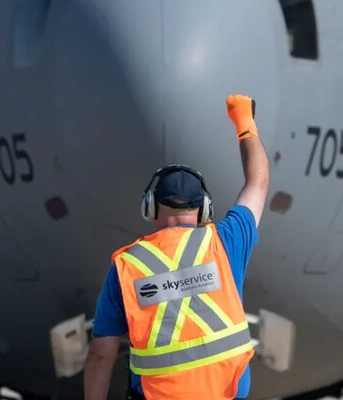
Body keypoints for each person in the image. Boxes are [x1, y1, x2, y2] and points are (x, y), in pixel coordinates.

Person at [84, 95, 270, 400]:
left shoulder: (127, 267)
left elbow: (101, 354)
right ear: (205, 209)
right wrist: (244, 124)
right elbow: (258, 182)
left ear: (150, 207)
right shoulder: (225, 242)